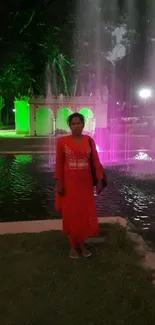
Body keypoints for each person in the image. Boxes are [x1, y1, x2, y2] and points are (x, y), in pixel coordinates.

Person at [55, 112, 103, 259]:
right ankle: (72, 246)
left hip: (85, 184)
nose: (76, 126)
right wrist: (59, 182)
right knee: (71, 214)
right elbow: (58, 164)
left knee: (83, 214)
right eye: (73, 123)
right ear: (69, 126)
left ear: (83, 124)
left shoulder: (89, 140)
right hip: (69, 184)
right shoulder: (62, 142)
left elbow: (95, 160)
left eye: (79, 123)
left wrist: (100, 179)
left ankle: (81, 244)